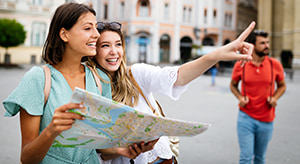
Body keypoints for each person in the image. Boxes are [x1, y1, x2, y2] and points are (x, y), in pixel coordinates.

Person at [85, 21, 256, 164]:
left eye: (118, 44)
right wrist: (122, 150)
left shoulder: (135, 74)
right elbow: (97, 151)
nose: (114, 52)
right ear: (94, 51)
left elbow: (178, 77)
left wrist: (215, 55)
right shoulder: (89, 87)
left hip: (163, 159)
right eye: (105, 45)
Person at [2, 2, 113, 163]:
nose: (97, 34)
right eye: (88, 28)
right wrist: (52, 130)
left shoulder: (100, 79)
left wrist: (126, 149)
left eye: (96, 27)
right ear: (64, 34)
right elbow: (26, 158)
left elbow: (101, 146)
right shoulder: (38, 79)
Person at [229, 30, 286, 164]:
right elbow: (233, 85)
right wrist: (240, 97)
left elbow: (282, 86)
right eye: (262, 43)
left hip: (267, 119)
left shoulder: (274, 64)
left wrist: (275, 98)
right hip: (245, 118)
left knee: (260, 159)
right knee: (245, 158)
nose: (266, 45)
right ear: (253, 46)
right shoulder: (241, 64)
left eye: (267, 42)